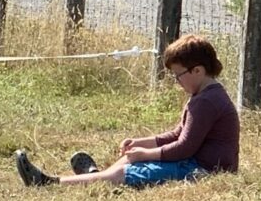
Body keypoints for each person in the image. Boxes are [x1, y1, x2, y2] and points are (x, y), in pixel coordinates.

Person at [14, 34, 240, 188]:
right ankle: (96, 177)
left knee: (126, 171)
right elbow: (177, 134)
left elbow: (183, 147)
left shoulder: (205, 102)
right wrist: (140, 143)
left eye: (178, 75)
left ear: (197, 71)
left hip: (203, 171)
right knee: (129, 161)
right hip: (194, 163)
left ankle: (49, 183)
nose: (176, 81)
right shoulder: (204, 96)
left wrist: (145, 154)